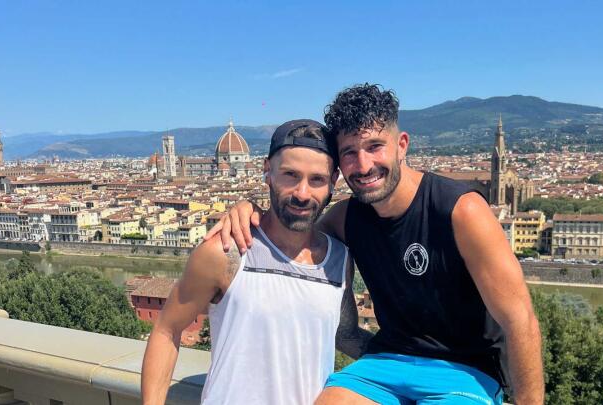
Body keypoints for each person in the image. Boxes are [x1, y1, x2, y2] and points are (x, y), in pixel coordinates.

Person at [207, 84, 544, 404]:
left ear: (402, 145)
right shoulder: (345, 218)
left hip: (465, 369)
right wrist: (251, 208)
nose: (364, 165)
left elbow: (520, 318)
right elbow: (292, 233)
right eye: (350, 153)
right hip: (385, 362)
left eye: (374, 146)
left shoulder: (461, 210)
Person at [141, 119, 370, 405]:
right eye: (290, 175)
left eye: (316, 180)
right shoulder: (225, 252)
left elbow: (343, 334)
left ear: (332, 182)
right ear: (267, 172)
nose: (302, 193)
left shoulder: (339, 259)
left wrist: (419, 361)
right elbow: (167, 329)